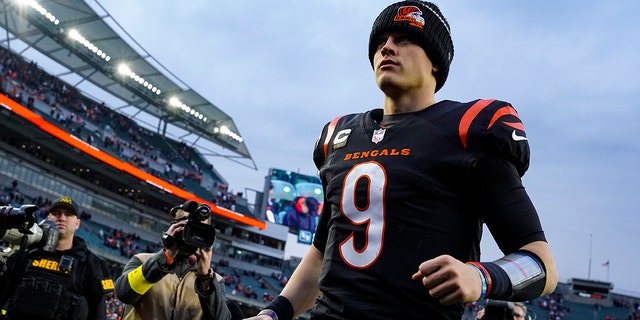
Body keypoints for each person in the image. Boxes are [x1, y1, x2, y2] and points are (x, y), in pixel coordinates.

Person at [246, 1, 558, 319]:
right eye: (380, 42)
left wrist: (480, 277)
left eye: (403, 39)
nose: (387, 48)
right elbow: (320, 254)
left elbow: (541, 264)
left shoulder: (467, 130)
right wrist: (273, 313)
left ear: (436, 61)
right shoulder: (340, 137)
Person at [115, 200, 242, 320]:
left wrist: (205, 279)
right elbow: (124, 294)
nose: (191, 235)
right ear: (174, 228)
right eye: (186, 228)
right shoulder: (142, 260)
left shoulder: (214, 281)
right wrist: (166, 256)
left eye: (198, 231)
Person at [0, 196, 114, 319]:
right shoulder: (24, 252)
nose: (62, 218)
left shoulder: (92, 264)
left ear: (77, 223)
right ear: (48, 217)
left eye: (68, 214)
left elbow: (98, 314)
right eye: (56, 213)